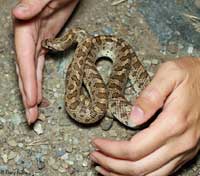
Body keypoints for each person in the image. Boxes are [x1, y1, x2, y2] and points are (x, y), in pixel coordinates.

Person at [12, 0, 200, 175]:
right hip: (94, 70)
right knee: (98, 90)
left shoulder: (82, 47)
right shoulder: (83, 42)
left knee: (109, 75)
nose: (47, 46)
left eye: (49, 46)